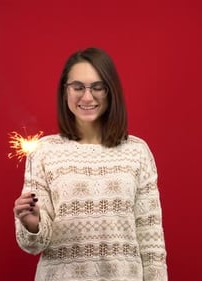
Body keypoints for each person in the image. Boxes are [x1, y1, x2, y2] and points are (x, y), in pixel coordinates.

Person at [13, 47, 168, 281]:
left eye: (98, 87)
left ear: (111, 91)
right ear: (65, 91)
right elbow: (34, 245)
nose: (87, 97)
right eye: (77, 87)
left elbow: (151, 240)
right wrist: (32, 224)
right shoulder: (44, 151)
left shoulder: (137, 151)